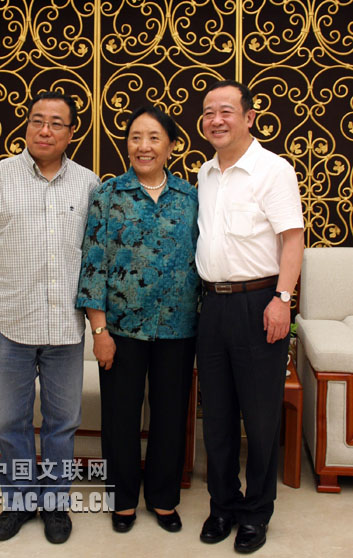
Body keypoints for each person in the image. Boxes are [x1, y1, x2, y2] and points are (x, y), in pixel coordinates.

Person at [0, 91, 100, 544]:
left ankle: (55, 505)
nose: (45, 130)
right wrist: (10, 276)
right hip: (10, 322)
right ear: (26, 126)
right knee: (12, 422)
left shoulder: (88, 183)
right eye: (37, 120)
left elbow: (94, 250)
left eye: (56, 123)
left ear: (71, 133)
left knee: (62, 421)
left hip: (65, 326)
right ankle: (19, 502)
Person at [76, 106, 200, 534]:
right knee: (120, 418)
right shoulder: (108, 194)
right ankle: (123, 500)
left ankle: (164, 499)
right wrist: (99, 330)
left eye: (153, 138)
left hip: (178, 328)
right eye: (135, 137)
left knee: (171, 416)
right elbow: (93, 265)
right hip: (121, 330)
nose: (143, 146)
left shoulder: (190, 197)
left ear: (171, 146)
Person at [196, 80, 304, 553]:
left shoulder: (272, 170)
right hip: (211, 306)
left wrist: (283, 299)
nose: (216, 120)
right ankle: (223, 505)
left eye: (226, 110)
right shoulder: (204, 173)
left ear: (248, 117)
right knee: (216, 416)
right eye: (208, 112)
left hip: (259, 303)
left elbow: (293, 238)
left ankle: (257, 513)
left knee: (259, 419)